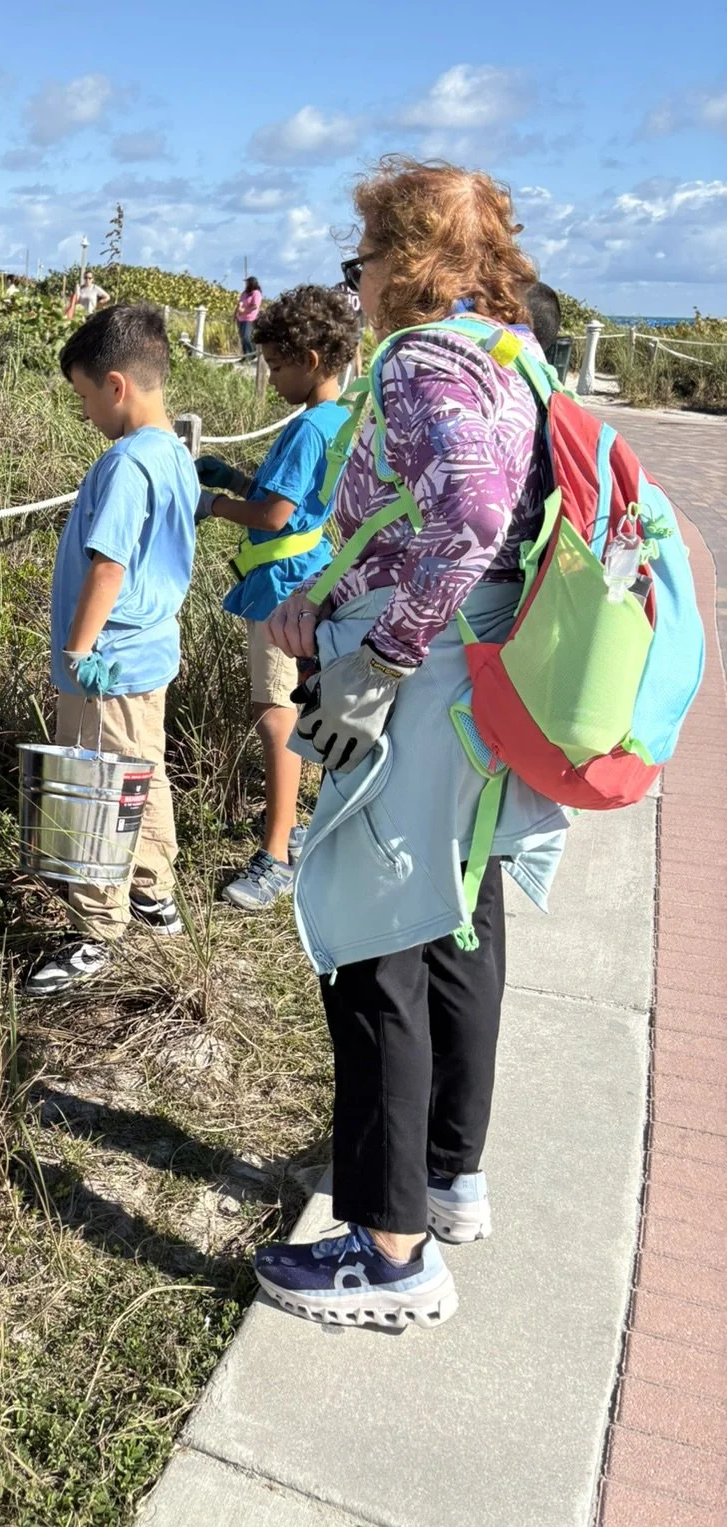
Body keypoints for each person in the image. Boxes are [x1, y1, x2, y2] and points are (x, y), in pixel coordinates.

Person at [254, 160, 569, 1331]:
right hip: (477, 676)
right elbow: (456, 521)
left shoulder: (430, 358)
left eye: (366, 255)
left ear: (412, 256)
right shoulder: (510, 351)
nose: (363, 279)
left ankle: (390, 1253)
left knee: (371, 942)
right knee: (455, 917)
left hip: (418, 688)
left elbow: (473, 508)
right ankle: (449, 1174)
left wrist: (381, 654)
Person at [25, 303, 199, 997]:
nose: (86, 411)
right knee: (142, 769)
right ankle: (153, 886)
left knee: (99, 787)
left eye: (85, 396)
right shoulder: (175, 454)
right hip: (150, 653)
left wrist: (77, 649)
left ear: (117, 385)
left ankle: (96, 930)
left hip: (109, 661)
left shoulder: (127, 463)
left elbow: (109, 566)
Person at [197, 285, 358, 910]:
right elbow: (294, 504)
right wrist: (236, 478)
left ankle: (275, 855)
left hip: (279, 589)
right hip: (310, 577)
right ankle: (302, 836)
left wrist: (211, 504)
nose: (270, 376)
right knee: (307, 712)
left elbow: (273, 514)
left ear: (311, 360)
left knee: (276, 716)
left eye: (276, 364)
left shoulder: (306, 430)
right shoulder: (338, 419)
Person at [235, 276, 263, 356]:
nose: (246, 284)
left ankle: (251, 355)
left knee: (246, 336)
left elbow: (255, 306)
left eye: (247, 282)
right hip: (241, 318)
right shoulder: (244, 293)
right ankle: (245, 355)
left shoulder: (256, 293)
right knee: (242, 338)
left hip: (250, 318)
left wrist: (244, 311)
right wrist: (236, 313)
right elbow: (240, 302)